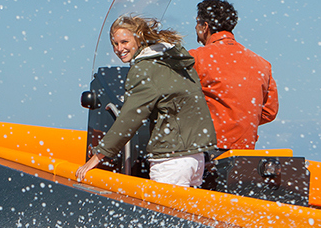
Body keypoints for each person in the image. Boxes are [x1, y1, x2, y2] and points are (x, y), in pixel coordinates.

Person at [75, 15, 216, 187]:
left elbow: (129, 118)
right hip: (195, 157)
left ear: (138, 39)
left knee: (162, 206)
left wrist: (97, 156)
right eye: (115, 44)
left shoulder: (144, 69)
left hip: (170, 161)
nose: (119, 49)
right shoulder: (172, 61)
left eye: (124, 42)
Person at [189, 0, 279, 151]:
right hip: (245, 150)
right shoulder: (262, 64)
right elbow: (269, 112)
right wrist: (240, 121)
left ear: (205, 26)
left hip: (206, 148)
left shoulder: (195, 58)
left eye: (197, 23)